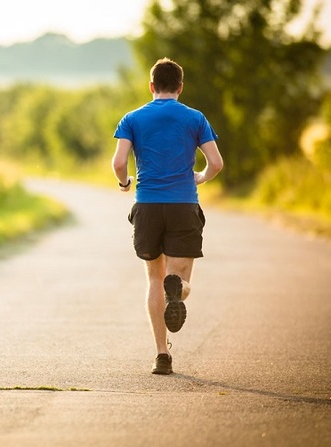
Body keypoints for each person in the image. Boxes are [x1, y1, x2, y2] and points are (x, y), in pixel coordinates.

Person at [111, 57, 224, 375]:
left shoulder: (132, 118)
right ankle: (180, 291)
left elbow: (119, 162)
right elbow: (215, 163)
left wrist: (124, 184)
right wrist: (200, 176)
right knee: (180, 280)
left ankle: (162, 355)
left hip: (147, 205)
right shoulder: (195, 117)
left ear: (151, 86)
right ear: (180, 87)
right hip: (182, 205)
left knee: (153, 279)